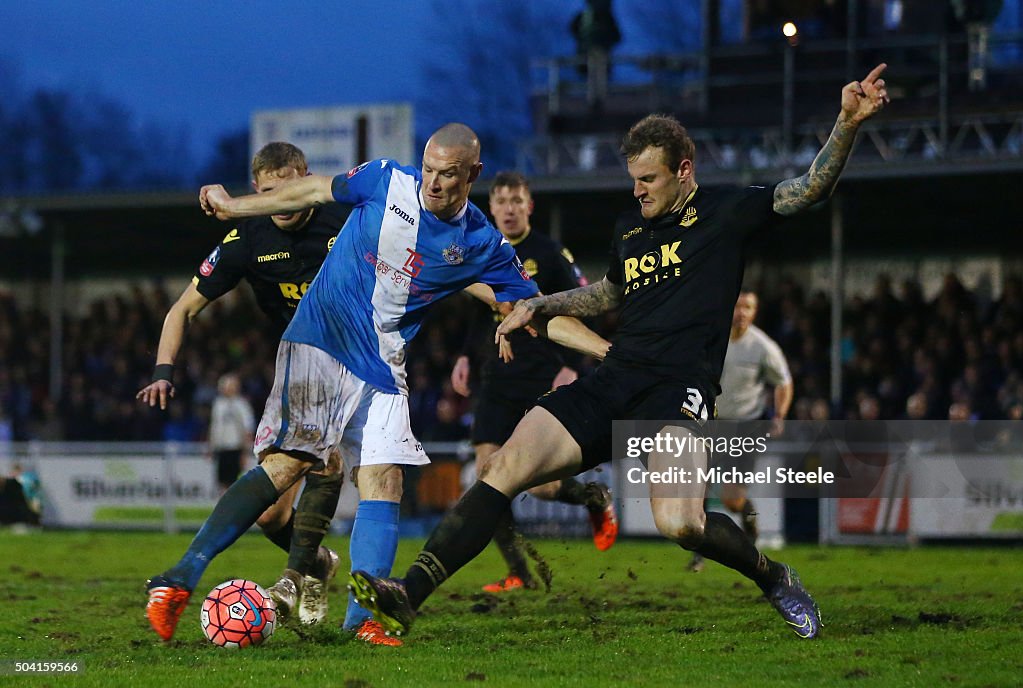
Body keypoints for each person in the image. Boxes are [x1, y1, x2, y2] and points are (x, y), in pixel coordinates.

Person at [348, 65, 891, 642]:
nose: (638, 191)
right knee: (502, 467)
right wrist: (540, 304)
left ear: (685, 171)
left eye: (649, 179)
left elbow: (807, 189)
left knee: (680, 523)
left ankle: (773, 575)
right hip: (615, 376)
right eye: (634, 179)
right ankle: (408, 595)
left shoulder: (729, 211)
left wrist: (847, 123)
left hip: (676, 390)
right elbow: (609, 293)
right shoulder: (630, 228)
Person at [146, 123, 609, 646]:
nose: (433, 184)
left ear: (472, 175)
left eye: (449, 175)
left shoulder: (481, 243)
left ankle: (362, 622)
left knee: (384, 481)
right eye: (430, 170)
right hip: (323, 333)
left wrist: (610, 352)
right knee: (289, 463)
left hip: (385, 358)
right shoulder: (385, 178)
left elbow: (535, 311)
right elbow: (316, 188)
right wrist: (235, 207)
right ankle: (179, 577)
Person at [138, 142, 348, 629]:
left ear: (309, 179)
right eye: (273, 192)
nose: (286, 200)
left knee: (321, 459)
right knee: (271, 517)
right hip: (299, 361)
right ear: (257, 190)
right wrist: (163, 371)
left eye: (294, 188)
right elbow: (181, 309)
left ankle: (261, 576)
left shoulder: (345, 220)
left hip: (358, 354)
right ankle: (316, 565)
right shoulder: (245, 239)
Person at [453, 171, 617, 593]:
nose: (508, 208)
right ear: (491, 208)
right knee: (487, 473)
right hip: (496, 376)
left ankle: (592, 498)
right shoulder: (483, 250)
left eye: (516, 200)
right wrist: (466, 357)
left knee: (542, 488)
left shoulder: (549, 252)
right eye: (501, 201)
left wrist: (569, 365)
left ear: (529, 206)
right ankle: (519, 573)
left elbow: (583, 305)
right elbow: (478, 313)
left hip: (542, 374)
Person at [688, 289, 793, 573]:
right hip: (712, 423)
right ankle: (700, 553)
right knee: (697, 491)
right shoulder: (712, 339)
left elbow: (783, 382)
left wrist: (780, 415)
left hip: (746, 426)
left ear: (755, 312)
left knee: (731, 499)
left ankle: (750, 523)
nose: (741, 312)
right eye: (737, 306)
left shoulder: (762, 347)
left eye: (748, 307)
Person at [209, 373, 256, 494]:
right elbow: (214, 426)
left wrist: (245, 452)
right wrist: (211, 446)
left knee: (234, 482)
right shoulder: (218, 404)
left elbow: (247, 429)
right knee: (221, 481)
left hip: (235, 448)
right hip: (221, 448)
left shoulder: (241, 405)